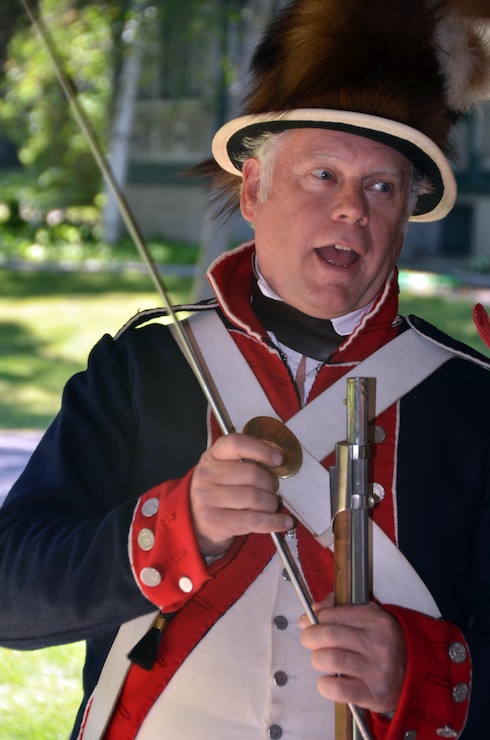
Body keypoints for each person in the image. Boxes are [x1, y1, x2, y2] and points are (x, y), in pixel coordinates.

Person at [1, 0, 490, 738]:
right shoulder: (144, 368)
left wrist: (430, 674)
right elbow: (15, 594)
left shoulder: (470, 401)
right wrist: (180, 524)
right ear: (255, 190)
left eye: (381, 186)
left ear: (408, 213)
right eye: (322, 175)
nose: (352, 210)